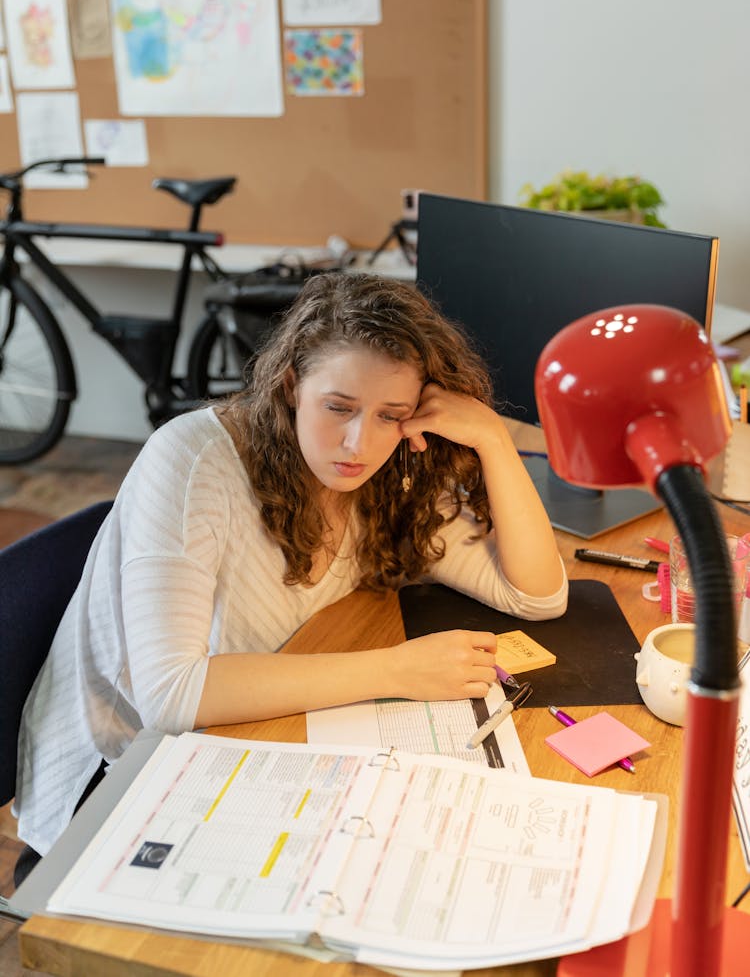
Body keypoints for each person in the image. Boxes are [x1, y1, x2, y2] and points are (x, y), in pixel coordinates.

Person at [14, 271, 567, 867]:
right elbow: (170, 696)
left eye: (390, 415)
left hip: (263, 734)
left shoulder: (388, 475)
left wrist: (491, 439)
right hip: (126, 772)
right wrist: (397, 671)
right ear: (289, 386)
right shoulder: (194, 461)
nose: (358, 442)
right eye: (339, 407)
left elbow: (536, 595)